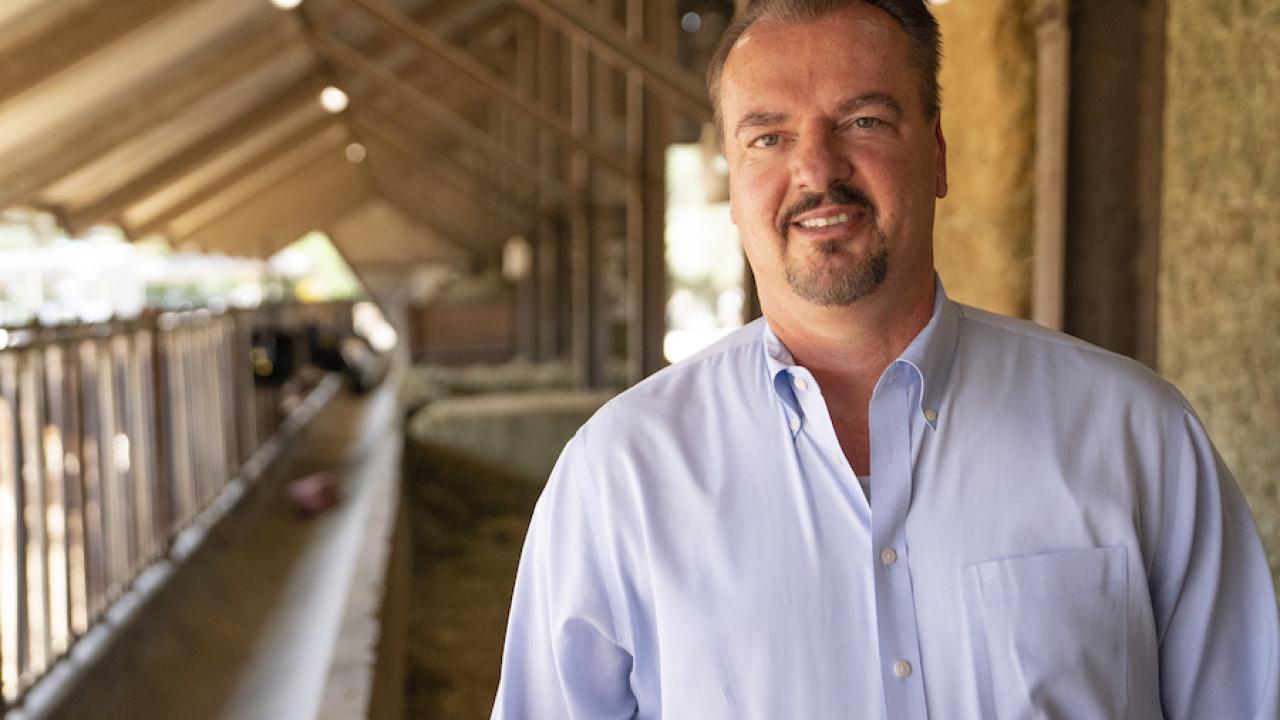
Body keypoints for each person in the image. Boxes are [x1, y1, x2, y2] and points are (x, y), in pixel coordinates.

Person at [491, 1, 1280, 717]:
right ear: (731, 187)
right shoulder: (620, 474)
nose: (817, 168)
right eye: (769, 136)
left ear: (937, 155)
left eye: (864, 121)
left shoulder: (1135, 435)